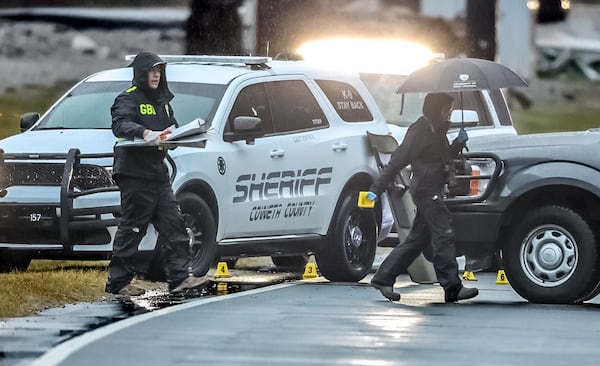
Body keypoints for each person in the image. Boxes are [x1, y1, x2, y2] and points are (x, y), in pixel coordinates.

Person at [105, 52, 210, 296]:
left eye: (160, 71)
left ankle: (179, 278)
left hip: (158, 173)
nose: (156, 75)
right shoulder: (128, 98)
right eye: (152, 70)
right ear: (141, 72)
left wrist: (176, 137)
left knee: (175, 226)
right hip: (134, 173)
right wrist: (143, 133)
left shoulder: (162, 102)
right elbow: (119, 124)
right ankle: (118, 284)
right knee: (133, 228)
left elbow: (171, 128)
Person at [366, 92, 478, 303]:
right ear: (436, 109)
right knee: (443, 233)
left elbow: (442, 158)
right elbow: (398, 160)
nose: (449, 114)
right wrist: (376, 188)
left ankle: (383, 278)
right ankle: (452, 287)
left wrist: (458, 143)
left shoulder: (436, 130)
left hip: (432, 189)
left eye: (451, 110)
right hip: (427, 191)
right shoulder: (419, 131)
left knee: (417, 240)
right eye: (447, 109)